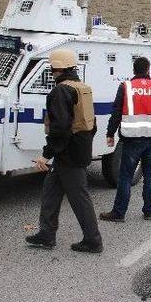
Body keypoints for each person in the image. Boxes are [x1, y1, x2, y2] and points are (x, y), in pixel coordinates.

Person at [25, 49, 103, 253]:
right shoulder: (81, 87)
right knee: (50, 193)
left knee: (79, 198)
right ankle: (46, 235)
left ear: (56, 68)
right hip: (75, 150)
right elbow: (91, 124)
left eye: (52, 68)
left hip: (67, 153)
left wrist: (46, 153)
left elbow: (60, 127)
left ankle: (93, 240)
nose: (51, 72)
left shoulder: (61, 91)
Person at [100, 57, 151, 222]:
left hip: (132, 139)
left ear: (134, 70)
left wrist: (110, 134)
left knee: (125, 176)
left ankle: (119, 213)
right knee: (150, 176)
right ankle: (149, 211)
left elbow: (116, 112)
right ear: (148, 70)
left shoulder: (126, 87)